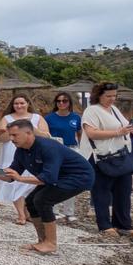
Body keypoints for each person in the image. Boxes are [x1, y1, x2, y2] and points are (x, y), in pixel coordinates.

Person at [0, 120, 95, 255]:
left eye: (15, 135)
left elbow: (48, 178)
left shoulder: (47, 147)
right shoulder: (21, 150)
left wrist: (20, 178)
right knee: (31, 201)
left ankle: (51, 243)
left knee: (43, 199)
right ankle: (42, 240)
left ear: (28, 133)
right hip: (59, 176)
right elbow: (11, 175)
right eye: (10, 135)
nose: (11, 139)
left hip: (79, 176)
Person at [80, 81, 133, 238]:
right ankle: (104, 225)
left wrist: (131, 130)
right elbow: (91, 133)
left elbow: (123, 127)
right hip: (100, 156)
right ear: (99, 95)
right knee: (101, 191)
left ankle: (123, 224)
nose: (112, 99)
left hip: (120, 154)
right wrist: (118, 132)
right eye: (108, 96)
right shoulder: (91, 111)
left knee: (123, 191)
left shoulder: (113, 109)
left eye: (114, 95)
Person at [0, 95, 51, 225]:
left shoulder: (37, 118)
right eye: (16, 103)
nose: (19, 106)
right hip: (11, 152)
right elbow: (2, 139)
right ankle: (21, 214)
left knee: (29, 183)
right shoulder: (7, 118)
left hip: (33, 152)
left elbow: (46, 136)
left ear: (28, 103)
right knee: (14, 180)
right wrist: (9, 131)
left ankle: (27, 211)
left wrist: (31, 128)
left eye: (22, 103)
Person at [44, 91, 83, 222]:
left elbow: (79, 134)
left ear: (69, 103)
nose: (61, 103)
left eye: (64, 101)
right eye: (59, 101)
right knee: (54, 179)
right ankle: (53, 210)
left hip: (72, 149)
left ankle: (69, 211)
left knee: (71, 180)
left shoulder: (76, 118)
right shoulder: (49, 118)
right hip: (55, 150)